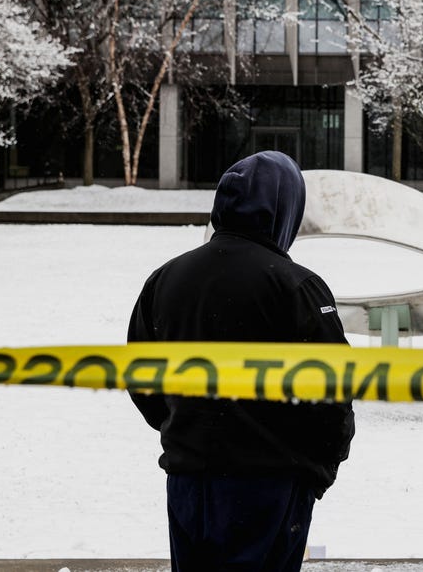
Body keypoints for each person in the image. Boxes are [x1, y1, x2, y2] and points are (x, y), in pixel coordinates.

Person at [127, 151, 354, 572]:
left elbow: (141, 378)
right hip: (269, 485)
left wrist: (186, 429)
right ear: (286, 211)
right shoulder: (296, 286)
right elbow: (334, 392)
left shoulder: (165, 279)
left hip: (188, 481)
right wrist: (316, 471)